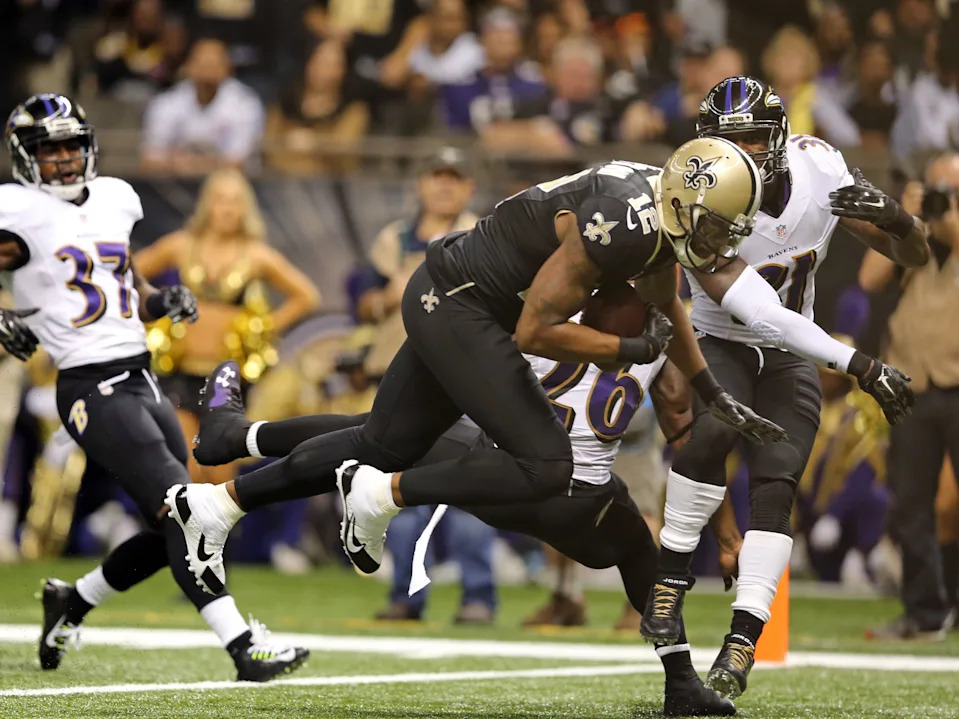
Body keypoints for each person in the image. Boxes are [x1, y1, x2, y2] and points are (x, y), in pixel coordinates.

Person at [188, 331, 738, 715]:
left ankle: (239, 452)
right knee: (638, 548)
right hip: (579, 503)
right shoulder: (663, 326)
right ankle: (681, 680)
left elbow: (504, 334)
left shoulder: (558, 299)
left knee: (378, 436)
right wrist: (725, 529)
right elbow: (684, 430)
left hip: (499, 471)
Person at [0, 93, 307, 681]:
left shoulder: (114, 199)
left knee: (170, 519)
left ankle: (75, 599)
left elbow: (123, 285)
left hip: (140, 376)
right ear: (25, 159)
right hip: (91, 386)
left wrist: (159, 301)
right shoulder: (21, 212)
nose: (63, 160)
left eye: (71, 146)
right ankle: (243, 646)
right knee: (187, 510)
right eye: (48, 149)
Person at [642, 75, 929, 700]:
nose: (737, 152)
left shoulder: (819, 168)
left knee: (778, 481)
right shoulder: (692, 190)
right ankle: (668, 583)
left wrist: (901, 220)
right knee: (711, 429)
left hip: (792, 352)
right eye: (726, 139)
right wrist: (862, 366)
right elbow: (759, 312)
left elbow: (911, 256)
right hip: (720, 339)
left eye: (749, 137)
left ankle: (744, 639)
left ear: (777, 138)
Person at [133, 168, 320, 486]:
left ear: (246, 208)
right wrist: (152, 309)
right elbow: (130, 272)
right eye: (220, 200)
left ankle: (218, 536)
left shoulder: (257, 255)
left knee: (219, 475)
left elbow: (307, 296)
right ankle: (180, 534)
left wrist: (261, 328)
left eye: (235, 201)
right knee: (186, 467)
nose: (228, 209)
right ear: (207, 204)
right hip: (179, 374)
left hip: (226, 380)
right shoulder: (180, 245)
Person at [859, 152, 959, 639]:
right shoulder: (916, 240)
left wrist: (946, 218)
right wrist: (904, 219)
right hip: (914, 386)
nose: (942, 201)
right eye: (936, 189)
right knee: (911, 504)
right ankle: (925, 613)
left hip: (958, 384)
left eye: (951, 191)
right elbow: (869, 279)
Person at [140, 38, 265, 175]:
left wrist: (190, 164)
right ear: (189, 66)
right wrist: (189, 164)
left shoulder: (245, 104)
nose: (208, 71)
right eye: (203, 64)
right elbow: (150, 159)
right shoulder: (166, 103)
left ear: (228, 68)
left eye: (214, 64)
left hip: (228, 185)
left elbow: (238, 162)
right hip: (172, 184)